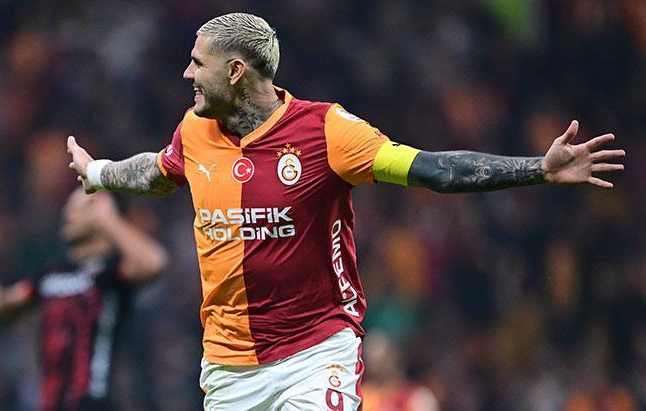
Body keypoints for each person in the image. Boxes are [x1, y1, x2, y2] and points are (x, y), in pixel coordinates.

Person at [65, 12, 625, 410]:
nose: (187, 75)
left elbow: (433, 169)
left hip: (314, 352)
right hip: (228, 364)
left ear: (234, 71)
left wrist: (538, 168)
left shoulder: (327, 131)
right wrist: (98, 173)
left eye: (197, 63)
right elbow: (157, 173)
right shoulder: (195, 130)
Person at [0, 189, 168, 411]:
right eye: (69, 207)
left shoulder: (112, 272)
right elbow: (7, 310)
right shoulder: (52, 272)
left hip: (94, 403)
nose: (69, 212)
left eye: (82, 207)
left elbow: (154, 263)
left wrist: (110, 219)